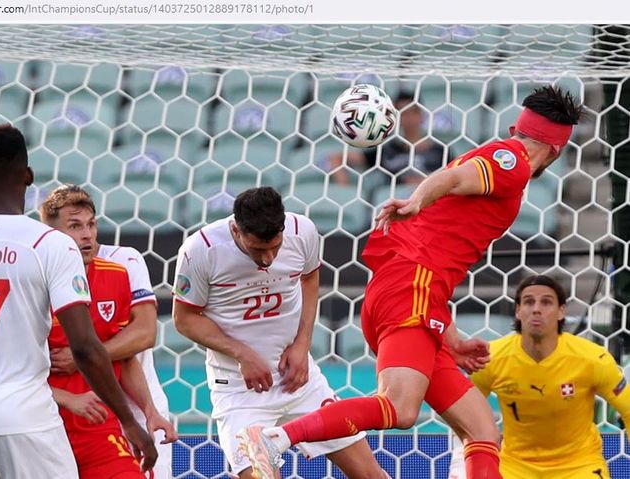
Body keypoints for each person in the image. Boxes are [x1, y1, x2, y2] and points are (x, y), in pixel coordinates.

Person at [238, 86, 584, 479]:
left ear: (514, 126)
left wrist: (451, 338)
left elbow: (442, 233)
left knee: (482, 429)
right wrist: (417, 198)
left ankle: (279, 436)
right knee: (401, 409)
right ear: (557, 151)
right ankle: (275, 439)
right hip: (411, 288)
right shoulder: (512, 162)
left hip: (415, 292)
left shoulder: (502, 161)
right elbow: (453, 178)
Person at [0, 124, 157, 478]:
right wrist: (129, 420)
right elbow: (84, 347)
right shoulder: (49, 244)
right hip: (27, 421)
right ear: (29, 176)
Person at [172, 186, 387, 478]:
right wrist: (241, 353)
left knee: (370, 474)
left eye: (275, 246)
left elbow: (310, 280)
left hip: (299, 381)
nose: (269, 259)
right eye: (258, 250)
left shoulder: (303, 232)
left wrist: (302, 344)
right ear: (236, 230)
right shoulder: (200, 250)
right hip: (240, 391)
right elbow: (184, 318)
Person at [40, 186, 178, 478]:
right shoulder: (30, 283)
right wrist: (67, 399)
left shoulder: (115, 274)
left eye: (90, 224)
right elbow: (12, 370)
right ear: (50, 235)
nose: (87, 235)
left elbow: (128, 356)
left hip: (97, 425)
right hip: (40, 427)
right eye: (75, 226)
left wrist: (149, 411)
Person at [448, 274, 630, 479]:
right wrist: (459, 466)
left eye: (546, 302)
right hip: (515, 467)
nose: (536, 309)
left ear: (561, 311)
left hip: (579, 466)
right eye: (528, 302)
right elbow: (462, 416)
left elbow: (628, 408)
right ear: (518, 311)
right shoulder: (491, 359)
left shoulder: (593, 359)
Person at [326, 93, 445, 187]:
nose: (408, 118)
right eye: (403, 113)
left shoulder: (441, 151)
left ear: (421, 114)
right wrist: (344, 192)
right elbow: (337, 158)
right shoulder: (387, 150)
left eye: (412, 112)